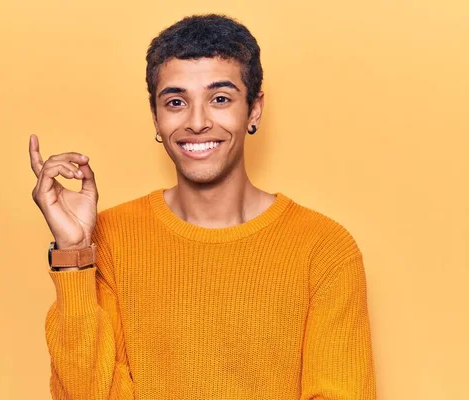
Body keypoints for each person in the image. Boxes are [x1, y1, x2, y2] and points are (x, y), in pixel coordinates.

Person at [29, 13, 376, 400]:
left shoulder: (324, 248)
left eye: (220, 99)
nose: (197, 122)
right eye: (176, 101)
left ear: (254, 109)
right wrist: (74, 254)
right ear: (156, 117)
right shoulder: (108, 241)